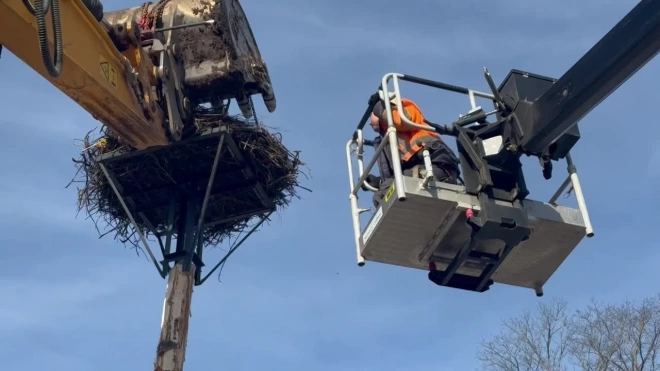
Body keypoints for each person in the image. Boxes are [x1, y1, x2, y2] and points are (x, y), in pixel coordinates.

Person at [363, 96, 460, 207]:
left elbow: (399, 120)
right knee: (380, 196)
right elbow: (398, 176)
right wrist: (379, 182)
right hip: (421, 168)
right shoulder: (390, 138)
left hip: (436, 164)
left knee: (385, 194)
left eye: (372, 114)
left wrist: (378, 106)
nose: (370, 122)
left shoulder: (404, 109)